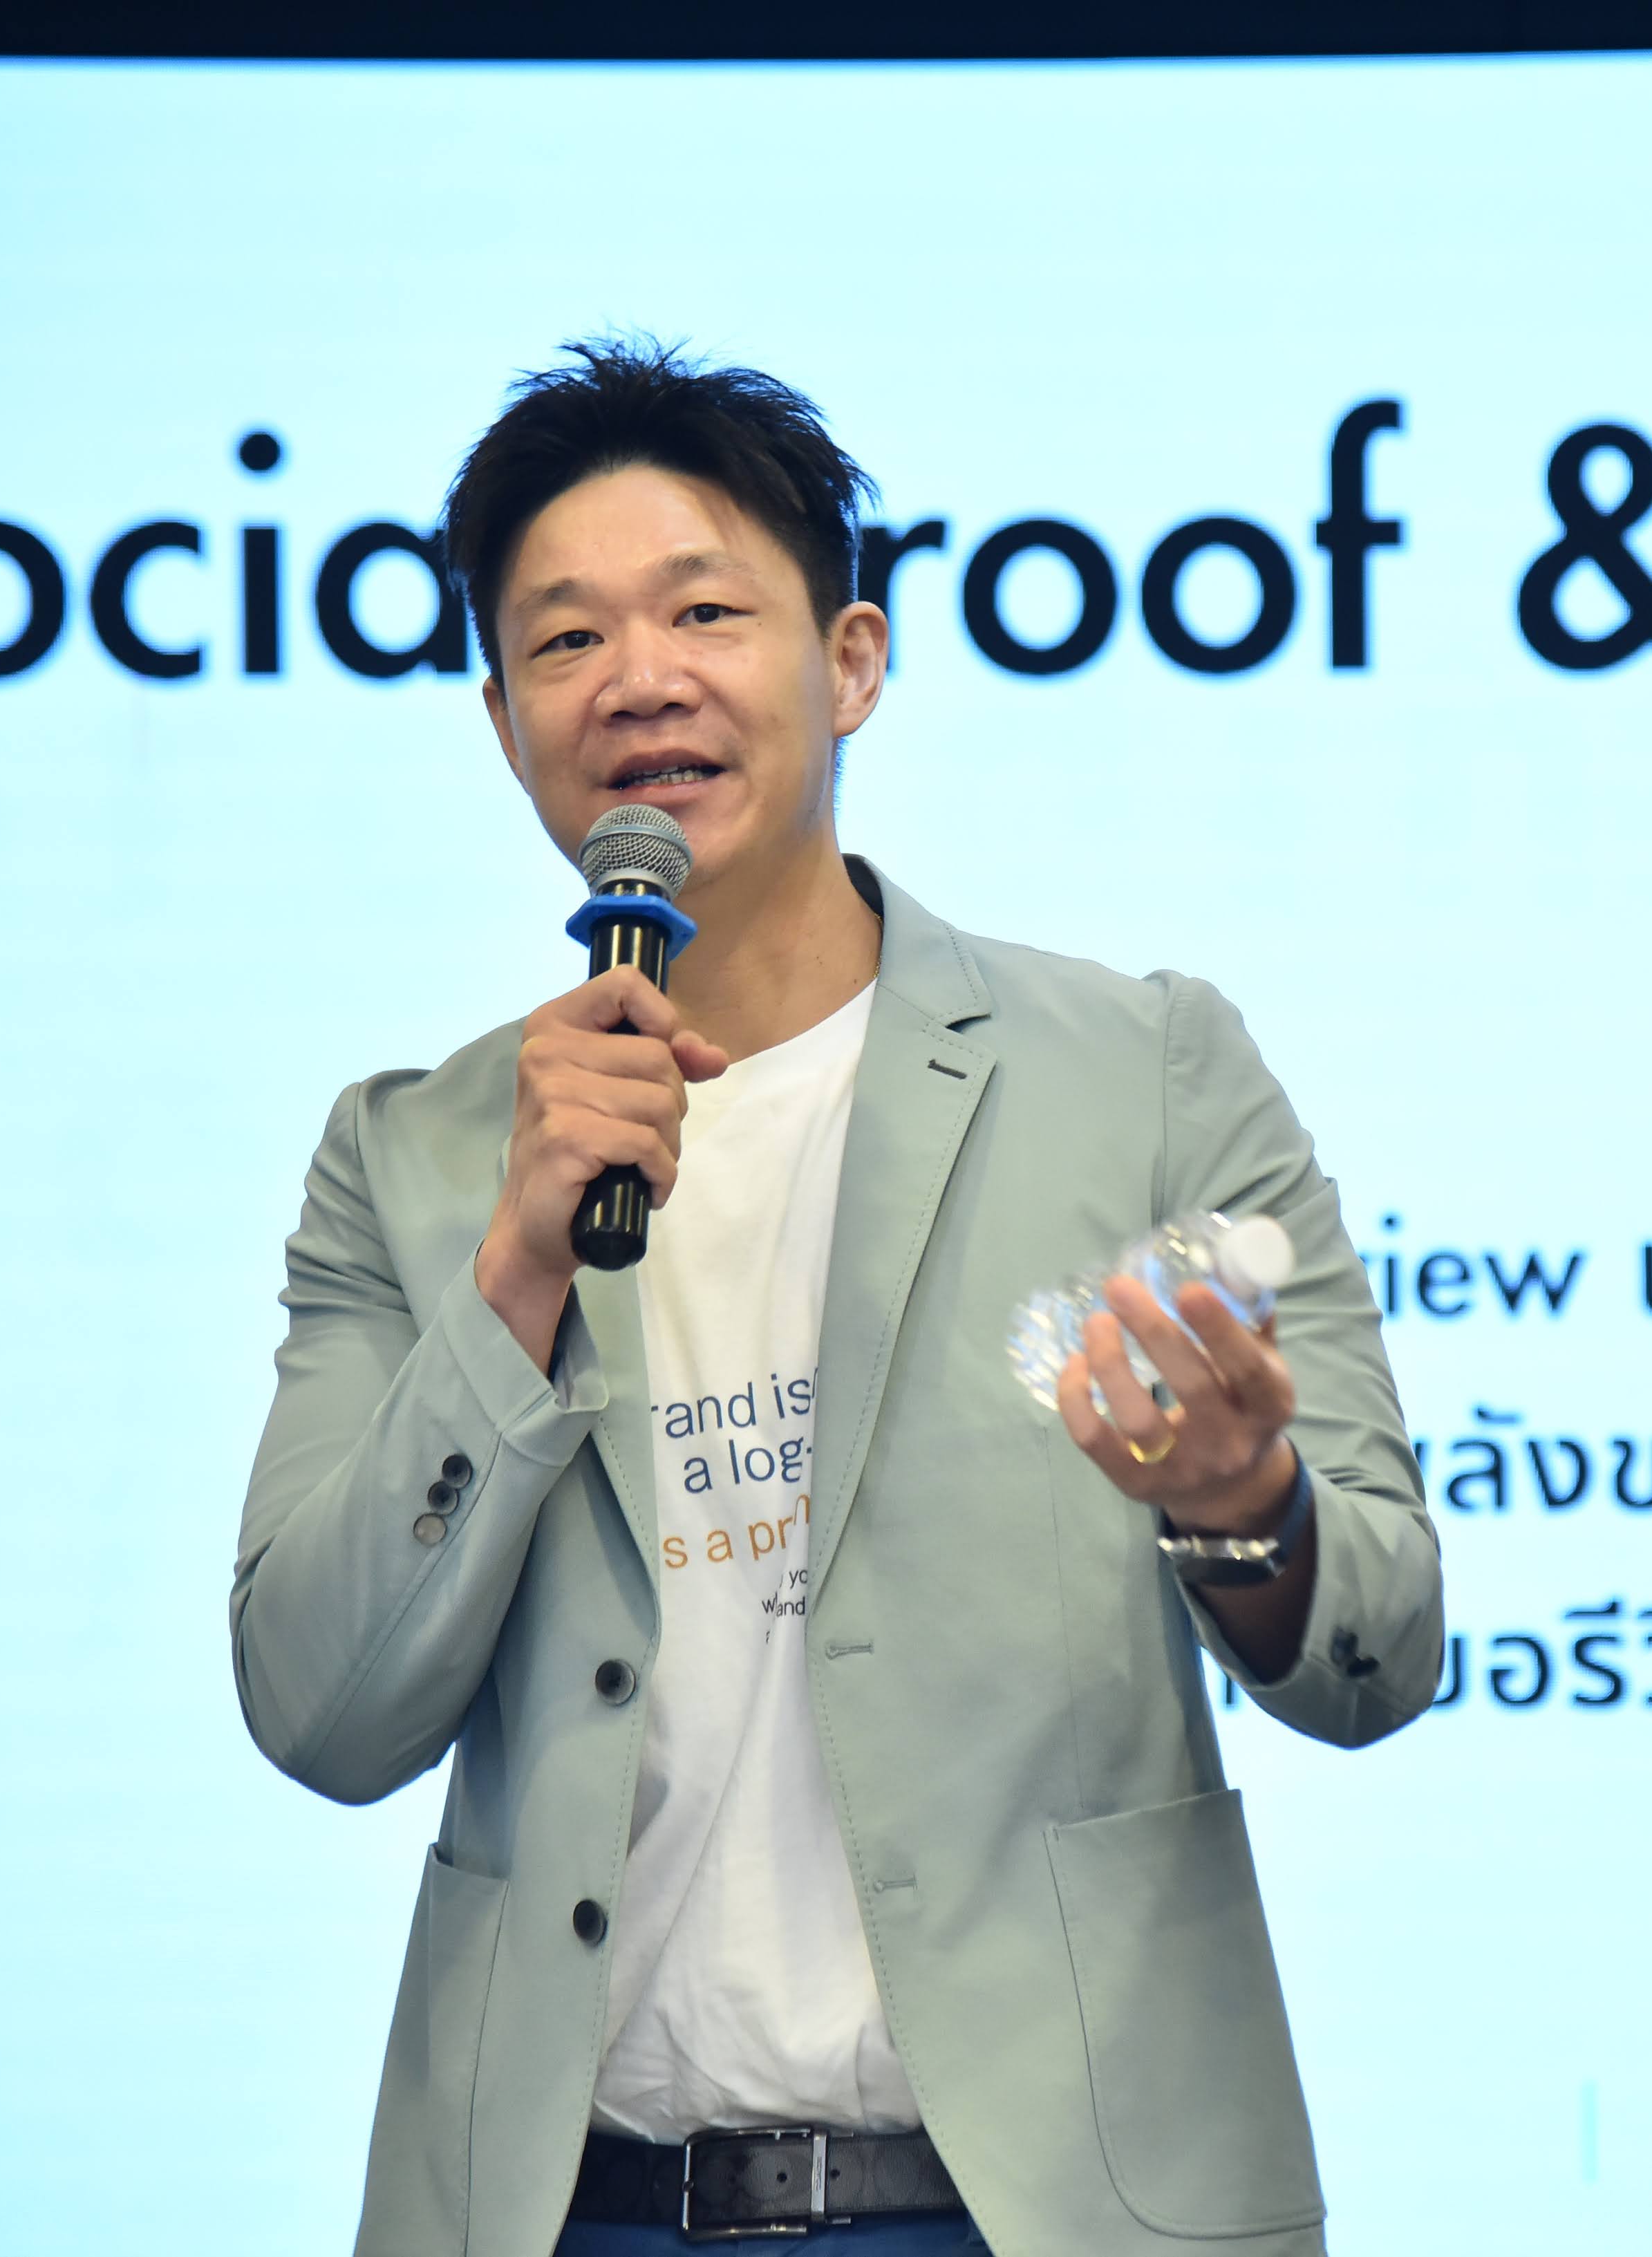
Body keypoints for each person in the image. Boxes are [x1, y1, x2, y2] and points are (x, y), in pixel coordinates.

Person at [229, 339, 1444, 2257]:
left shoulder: (1140, 1073)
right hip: (579, 2212)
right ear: (503, 723)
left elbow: (1383, 1642)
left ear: (851, 661)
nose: (638, 678)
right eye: (565, 640)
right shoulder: (413, 1157)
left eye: (704, 610)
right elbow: (318, 1710)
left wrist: (1241, 1512)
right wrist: (515, 1273)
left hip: (1037, 2212)